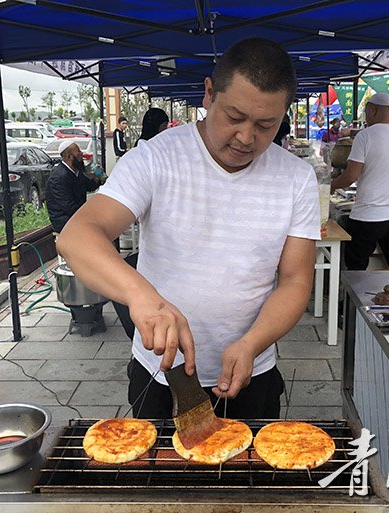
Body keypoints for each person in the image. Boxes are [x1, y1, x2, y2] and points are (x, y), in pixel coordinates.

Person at [57, 38, 320, 420]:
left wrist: (251, 344)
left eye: (266, 125)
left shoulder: (296, 177)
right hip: (161, 374)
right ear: (210, 93)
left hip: (251, 370)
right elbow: (78, 236)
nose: (247, 137)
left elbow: (296, 281)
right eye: (234, 116)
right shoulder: (155, 158)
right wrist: (143, 297)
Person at [330, 93, 389, 271]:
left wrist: (329, 186)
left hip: (368, 215)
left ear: (372, 110)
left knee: (356, 265)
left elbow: (350, 176)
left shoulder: (365, 136)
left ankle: (352, 299)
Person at [46, 139, 102, 233]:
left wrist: (98, 178)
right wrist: (90, 215)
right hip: (64, 221)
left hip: (76, 216)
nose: (81, 154)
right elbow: (68, 207)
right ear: (69, 156)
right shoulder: (58, 177)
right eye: (78, 152)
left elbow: (89, 186)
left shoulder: (76, 171)